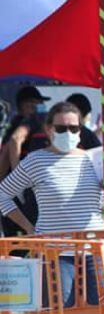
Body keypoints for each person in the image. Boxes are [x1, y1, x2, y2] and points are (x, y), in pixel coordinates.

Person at [0, 102, 104, 314]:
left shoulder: (95, 161)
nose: (69, 133)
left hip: (95, 251)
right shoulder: (35, 161)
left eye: (75, 128)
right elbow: (3, 193)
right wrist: (30, 228)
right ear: (47, 130)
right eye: (61, 128)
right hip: (56, 253)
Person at [0, 86, 52, 236]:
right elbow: (15, 141)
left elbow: (4, 154)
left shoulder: (13, 123)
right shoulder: (29, 122)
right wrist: (19, 176)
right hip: (20, 193)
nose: (40, 107)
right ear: (26, 104)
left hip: (11, 192)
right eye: (37, 103)